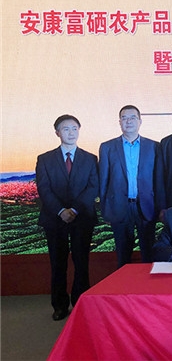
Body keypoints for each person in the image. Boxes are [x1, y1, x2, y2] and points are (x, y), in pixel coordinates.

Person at [35, 114, 99, 321]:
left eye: (74, 128)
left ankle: (80, 302)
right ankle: (60, 305)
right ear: (57, 133)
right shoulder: (44, 159)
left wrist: (75, 210)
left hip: (82, 218)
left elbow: (93, 187)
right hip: (54, 219)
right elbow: (44, 189)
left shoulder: (90, 159)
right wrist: (61, 211)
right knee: (58, 263)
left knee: (81, 262)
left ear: (79, 131)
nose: (71, 133)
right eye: (65, 129)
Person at [99, 105, 159, 267]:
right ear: (119, 122)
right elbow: (103, 180)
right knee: (123, 255)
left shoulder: (154, 146)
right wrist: (105, 209)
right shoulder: (107, 147)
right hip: (119, 207)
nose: (128, 121)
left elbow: (158, 179)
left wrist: (160, 206)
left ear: (140, 121)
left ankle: (147, 283)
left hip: (146, 207)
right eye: (124, 118)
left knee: (149, 254)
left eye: (133, 118)